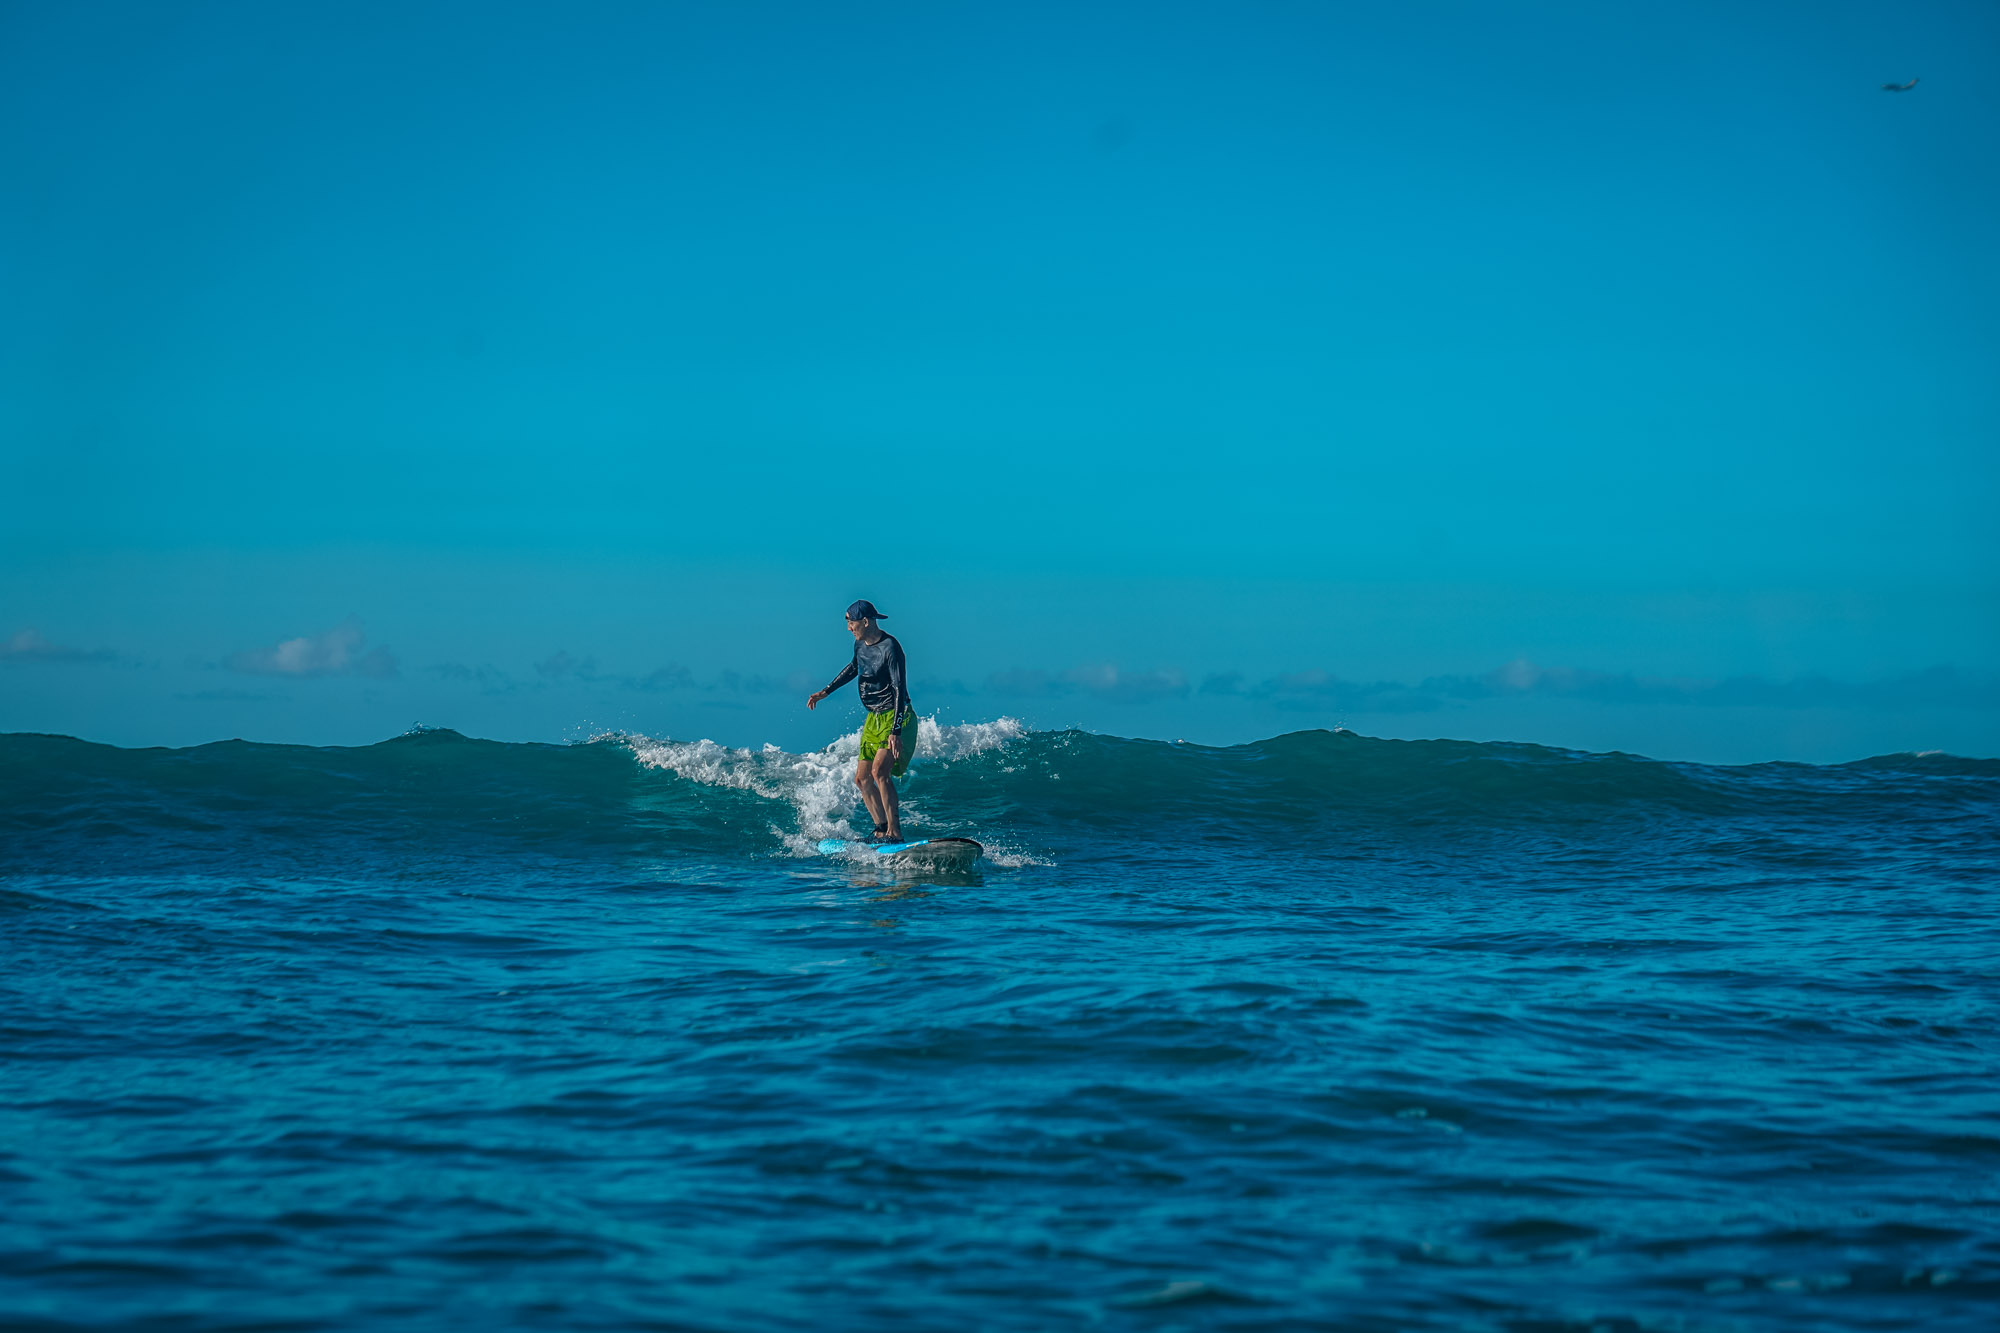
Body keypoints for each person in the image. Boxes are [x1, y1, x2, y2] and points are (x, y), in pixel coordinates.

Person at [806, 599, 916, 841]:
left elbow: (899, 689)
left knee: (880, 773)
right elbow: (853, 667)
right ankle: (880, 829)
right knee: (861, 778)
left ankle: (895, 834)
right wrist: (826, 691)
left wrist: (895, 731)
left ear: (865, 621)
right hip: (874, 718)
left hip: (895, 716)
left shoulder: (891, 648)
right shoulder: (860, 645)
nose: (848, 628)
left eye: (851, 622)